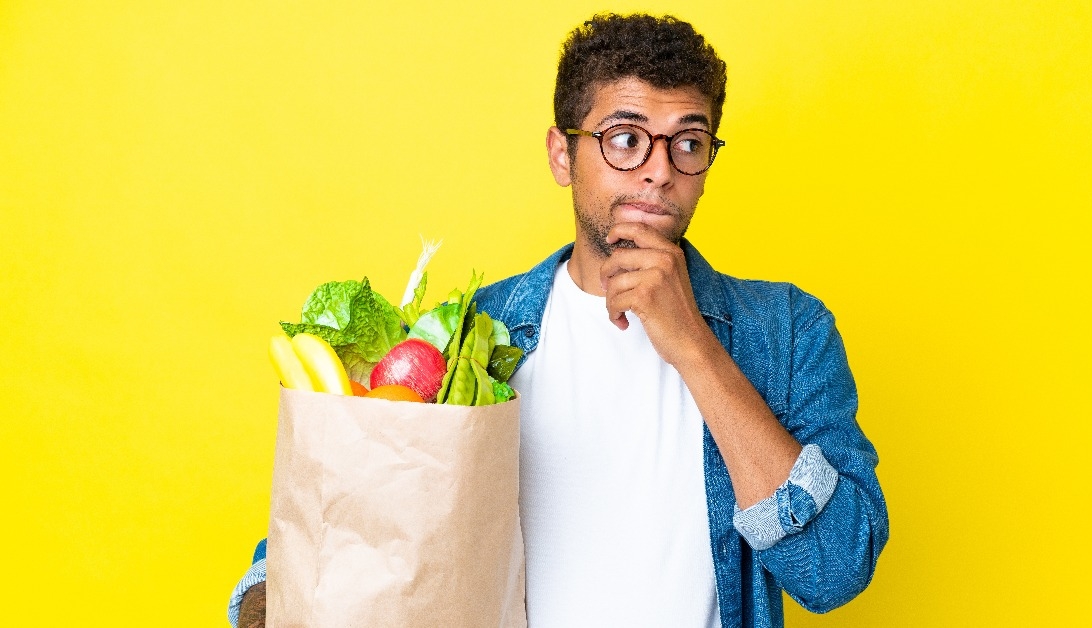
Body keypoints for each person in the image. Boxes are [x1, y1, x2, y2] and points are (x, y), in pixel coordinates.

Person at [229, 13, 887, 628]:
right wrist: (279, 603)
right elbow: (315, 543)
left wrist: (695, 349)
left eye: (688, 142)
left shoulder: (787, 330)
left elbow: (834, 571)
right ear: (562, 155)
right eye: (625, 139)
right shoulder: (468, 339)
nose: (659, 172)